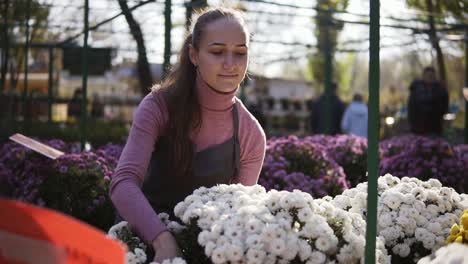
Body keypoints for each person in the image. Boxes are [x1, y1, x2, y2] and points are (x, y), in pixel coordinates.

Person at [109, 7, 266, 262]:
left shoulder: (251, 134)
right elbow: (122, 184)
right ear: (194, 55)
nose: (230, 64)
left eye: (240, 53)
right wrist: (162, 240)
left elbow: (239, 218)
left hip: (203, 252)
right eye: (216, 52)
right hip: (138, 243)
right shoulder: (158, 106)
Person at [407, 66, 448, 136]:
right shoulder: (416, 89)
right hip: (418, 128)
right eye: (428, 75)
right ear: (423, 76)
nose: (430, 78)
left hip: (435, 128)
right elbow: (411, 108)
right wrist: (412, 125)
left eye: (432, 76)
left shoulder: (440, 90)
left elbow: (444, 107)